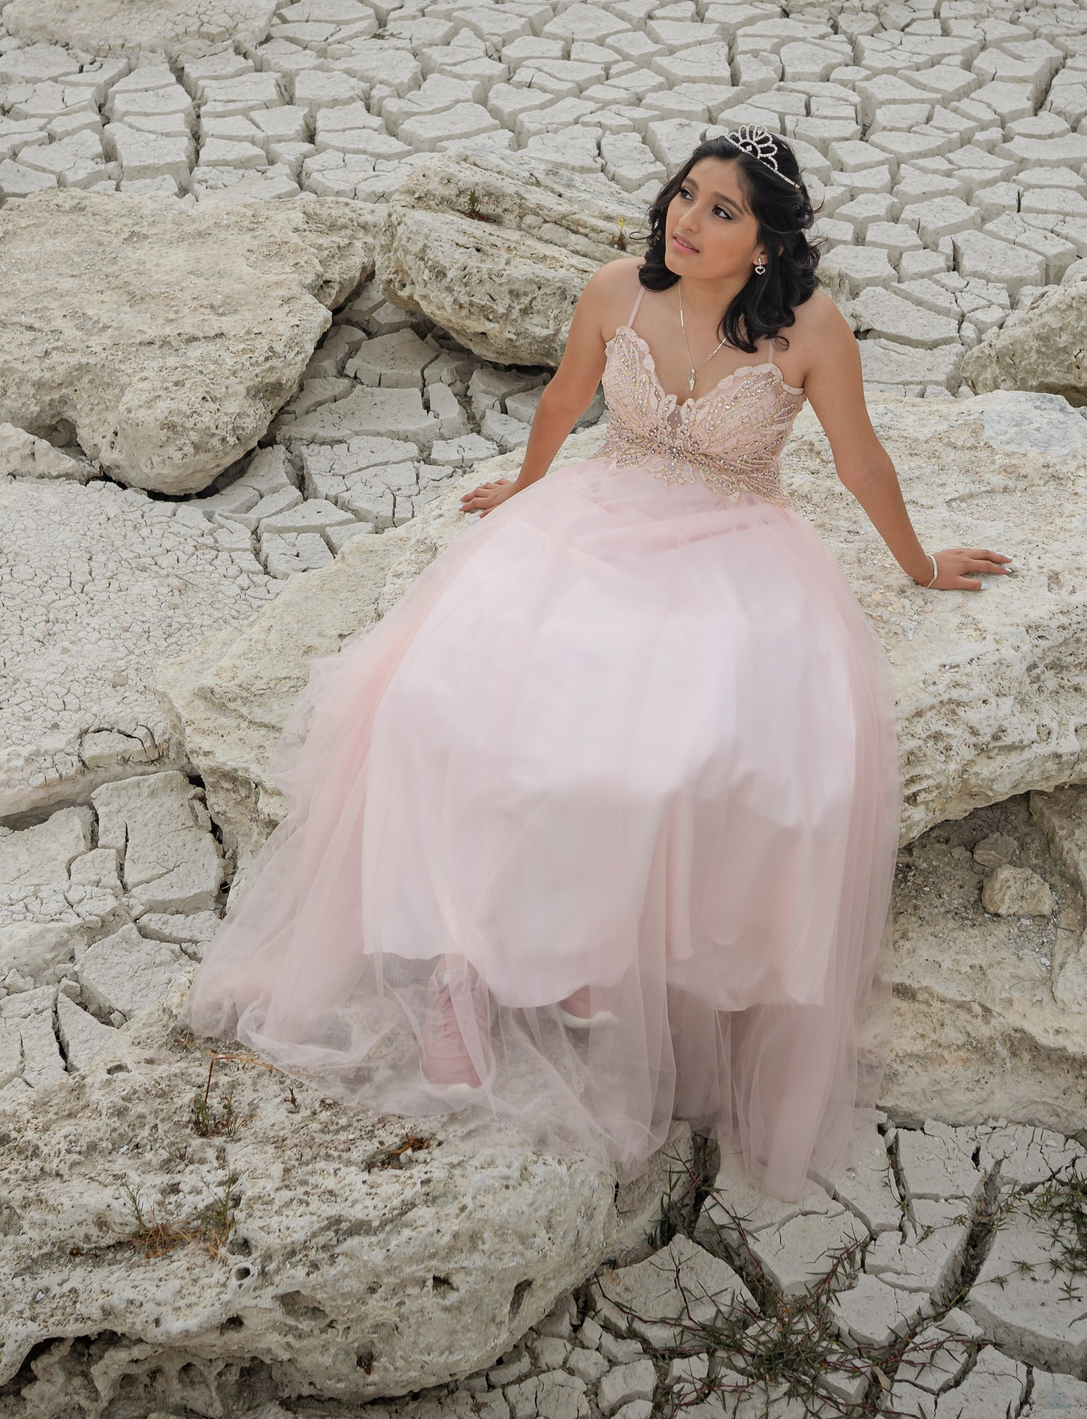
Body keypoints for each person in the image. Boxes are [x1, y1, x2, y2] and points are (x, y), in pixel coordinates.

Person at [184, 127, 1013, 1197]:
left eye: (724, 210)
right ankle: (461, 968)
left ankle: (570, 950)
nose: (689, 219)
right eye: (686, 194)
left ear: (765, 244)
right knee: (445, 704)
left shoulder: (809, 329)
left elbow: (858, 460)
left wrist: (918, 561)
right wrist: (526, 486)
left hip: (729, 553)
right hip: (593, 519)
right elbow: (565, 399)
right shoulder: (617, 286)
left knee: (659, 757)